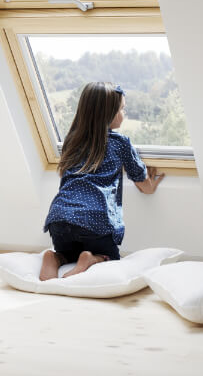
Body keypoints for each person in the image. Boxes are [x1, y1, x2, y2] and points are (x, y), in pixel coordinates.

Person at [39, 82, 165, 281]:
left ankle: (54, 257)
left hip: (59, 217)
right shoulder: (120, 143)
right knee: (112, 257)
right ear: (109, 113)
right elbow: (144, 185)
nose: (124, 113)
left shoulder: (72, 141)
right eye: (122, 109)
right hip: (95, 219)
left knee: (68, 253)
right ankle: (91, 259)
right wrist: (152, 184)